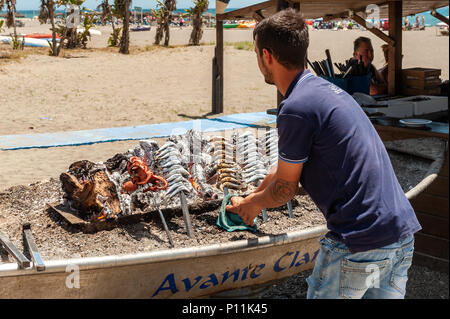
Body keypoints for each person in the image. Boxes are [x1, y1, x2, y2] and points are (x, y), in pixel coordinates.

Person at [226, 8, 421, 299]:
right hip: (400, 233)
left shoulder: (295, 108)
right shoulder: (324, 91)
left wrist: (253, 206)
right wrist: (253, 194)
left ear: (266, 56)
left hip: (359, 240)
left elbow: (285, 189)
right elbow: (284, 172)